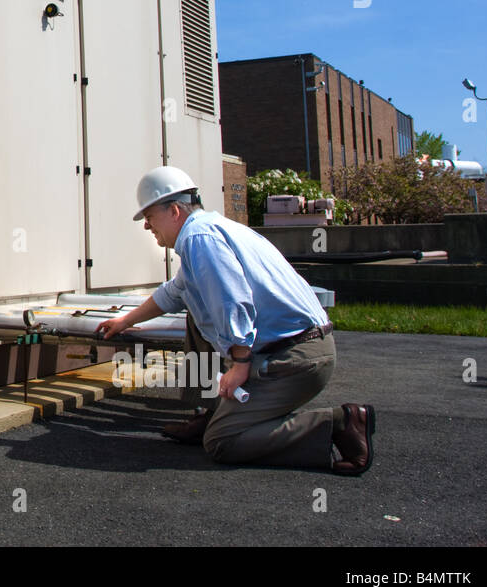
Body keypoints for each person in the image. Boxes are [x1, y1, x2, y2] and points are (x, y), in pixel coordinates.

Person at [97, 166, 375, 475]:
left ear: (174, 210)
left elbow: (232, 298)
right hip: (298, 348)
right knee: (194, 310)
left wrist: (239, 364)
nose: (147, 226)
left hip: (294, 360)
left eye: (149, 217)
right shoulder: (211, 230)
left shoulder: (199, 238)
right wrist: (125, 321)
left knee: (223, 442)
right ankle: (208, 413)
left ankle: (338, 423)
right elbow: (174, 292)